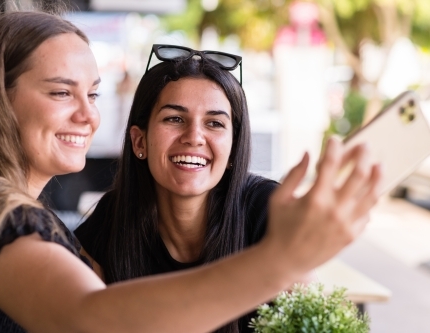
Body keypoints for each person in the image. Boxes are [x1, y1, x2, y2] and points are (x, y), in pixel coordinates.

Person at [0, 10, 381, 333]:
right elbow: (91, 317)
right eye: (62, 93)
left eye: (94, 95)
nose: (89, 116)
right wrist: (280, 260)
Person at [73, 45, 329, 332]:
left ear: (233, 150)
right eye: (174, 119)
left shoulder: (266, 211)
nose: (194, 137)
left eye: (215, 123)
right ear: (139, 142)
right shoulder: (111, 219)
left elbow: (318, 323)